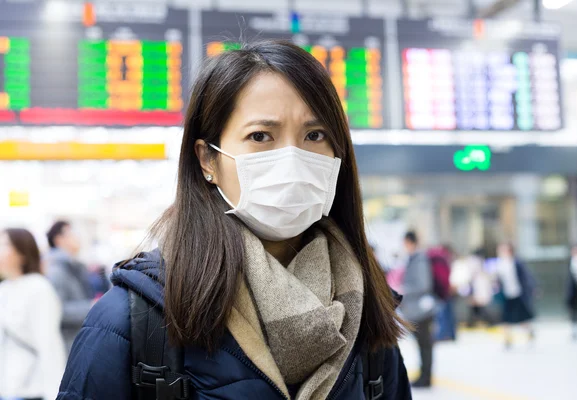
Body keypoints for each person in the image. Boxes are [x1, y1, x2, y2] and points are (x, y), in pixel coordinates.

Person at [57, 40, 412, 400]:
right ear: (208, 160)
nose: (292, 158)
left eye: (314, 135)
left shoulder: (368, 320)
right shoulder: (133, 321)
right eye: (260, 136)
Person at [0, 228, 66, 400]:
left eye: (5, 244)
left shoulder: (39, 288)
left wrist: (53, 395)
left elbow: (49, 346)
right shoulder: (4, 288)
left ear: (22, 252)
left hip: (30, 391)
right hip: (7, 388)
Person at [45, 221, 95, 352]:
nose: (77, 237)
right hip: (66, 344)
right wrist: (91, 306)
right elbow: (56, 310)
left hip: (76, 340)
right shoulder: (55, 270)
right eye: (72, 234)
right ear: (58, 239)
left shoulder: (73, 266)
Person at [401, 231, 436, 388]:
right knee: (423, 344)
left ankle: (426, 378)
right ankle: (424, 376)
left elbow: (423, 285)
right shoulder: (414, 259)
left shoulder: (419, 260)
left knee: (425, 344)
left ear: (410, 242)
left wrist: (404, 289)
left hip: (422, 310)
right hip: (417, 309)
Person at [496, 243, 535, 349]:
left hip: (518, 294)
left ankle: (530, 332)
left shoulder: (517, 263)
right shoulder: (500, 264)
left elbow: (526, 277)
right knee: (506, 319)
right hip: (507, 295)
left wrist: (531, 289)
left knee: (522, 319)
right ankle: (507, 339)